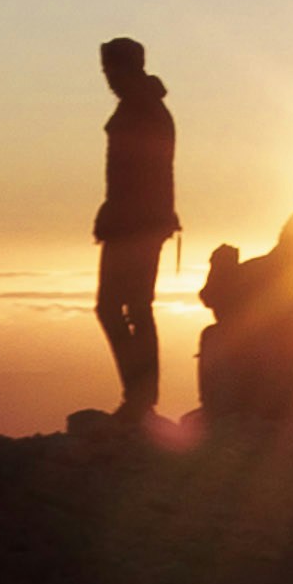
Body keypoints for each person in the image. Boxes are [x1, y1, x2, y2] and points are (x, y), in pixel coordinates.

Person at [91, 37, 179, 420]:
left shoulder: (143, 110)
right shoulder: (142, 107)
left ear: (127, 68)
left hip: (135, 225)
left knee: (125, 308)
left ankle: (140, 397)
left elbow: (144, 175)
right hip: (135, 223)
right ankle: (139, 396)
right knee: (126, 308)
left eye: (111, 70)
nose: (108, 79)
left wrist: (117, 215)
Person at [195, 213, 293, 423]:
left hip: (266, 361)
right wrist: (220, 270)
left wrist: (220, 270)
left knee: (212, 335)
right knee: (213, 334)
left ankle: (217, 411)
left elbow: (216, 303)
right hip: (278, 362)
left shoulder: (256, 269)